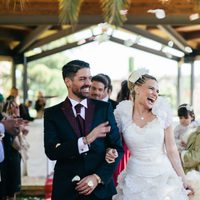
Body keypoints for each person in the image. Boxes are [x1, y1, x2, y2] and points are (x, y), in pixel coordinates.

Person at [105, 68, 193, 199]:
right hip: (134, 178)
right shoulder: (122, 113)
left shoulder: (162, 111)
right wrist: (109, 150)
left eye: (157, 91)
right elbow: (112, 141)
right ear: (137, 89)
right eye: (151, 88)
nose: (155, 94)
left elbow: (171, 150)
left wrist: (183, 179)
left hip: (162, 178)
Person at [44, 60, 124, 200]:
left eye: (89, 78)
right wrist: (86, 140)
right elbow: (51, 151)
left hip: (100, 190)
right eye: (82, 79)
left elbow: (117, 147)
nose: (89, 83)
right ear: (68, 82)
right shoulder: (53, 113)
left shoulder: (103, 109)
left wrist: (97, 177)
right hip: (67, 189)